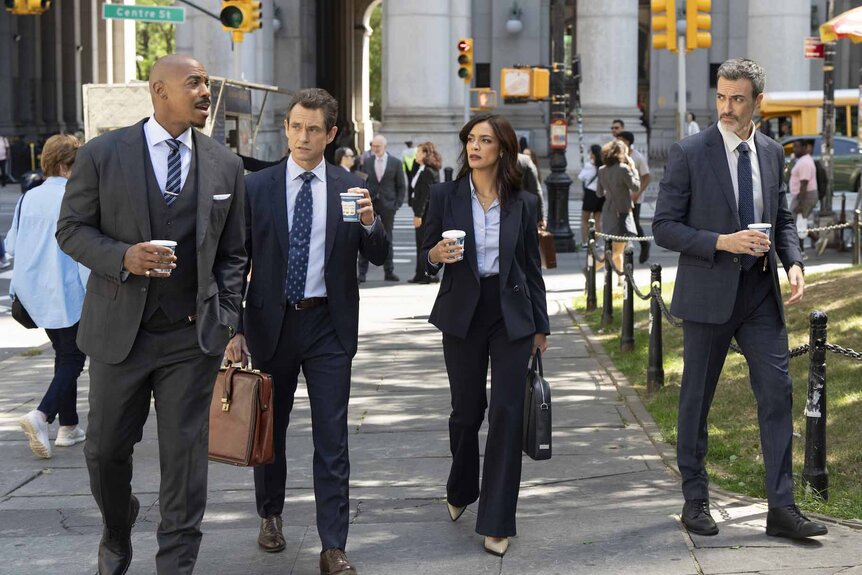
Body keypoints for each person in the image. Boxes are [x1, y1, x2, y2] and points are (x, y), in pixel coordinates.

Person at [56, 54, 247, 574]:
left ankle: (176, 565)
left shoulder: (225, 163)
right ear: (160, 91)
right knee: (103, 452)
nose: (205, 91)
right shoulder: (102, 154)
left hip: (192, 338)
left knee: (184, 465)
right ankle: (117, 529)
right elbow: (71, 230)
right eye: (194, 83)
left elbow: (235, 253)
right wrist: (123, 257)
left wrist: (225, 315)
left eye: (207, 82)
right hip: (121, 336)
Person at [653, 58, 827, 541]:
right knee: (696, 400)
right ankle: (695, 499)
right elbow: (663, 226)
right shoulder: (689, 152)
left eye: (737, 99)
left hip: (759, 294)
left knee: (777, 395)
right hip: (708, 293)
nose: (727, 108)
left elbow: (783, 218)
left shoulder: (772, 153)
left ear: (758, 104)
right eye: (721, 97)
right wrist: (721, 242)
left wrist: (794, 261)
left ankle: (782, 508)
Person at [225, 88, 388, 575]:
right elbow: (236, 263)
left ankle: (333, 544)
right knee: (269, 432)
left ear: (331, 134)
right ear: (286, 128)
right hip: (270, 325)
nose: (302, 136)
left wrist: (370, 221)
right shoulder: (258, 187)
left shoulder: (350, 186)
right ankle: (270, 515)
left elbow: (377, 255)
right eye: (296, 126)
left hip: (328, 328)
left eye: (313, 129)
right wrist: (234, 329)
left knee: (332, 439)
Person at [420, 114, 550, 558]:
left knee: (507, 414)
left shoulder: (524, 203)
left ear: (502, 149)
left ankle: (497, 520)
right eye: (470, 140)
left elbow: (531, 268)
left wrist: (540, 325)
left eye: (485, 140)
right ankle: (460, 485)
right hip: (462, 312)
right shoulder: (445, 195)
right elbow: (426, 259)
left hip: (511, 314)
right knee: (466, 412)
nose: (475, 147)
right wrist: (435, 255)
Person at [10, 134, 89, 459]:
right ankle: (41, 415)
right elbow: (85, 250)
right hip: (67, 290)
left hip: (35, 292)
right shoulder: (74, 197)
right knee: (73, 358)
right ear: (66, 165)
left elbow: (12, 245)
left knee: (63, 354)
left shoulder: (28, 197)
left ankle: (68, 427)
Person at [357, 134, 405, 282]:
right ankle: (362, 274)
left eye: (377, 146)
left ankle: (389, 271)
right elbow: (362, 181)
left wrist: (396, 204)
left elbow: (401, 185)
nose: (374, 149)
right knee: (365, 236)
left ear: (385, 147)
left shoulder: (395, 163)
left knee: (387, 238)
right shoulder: (367, 161)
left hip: (388, 205)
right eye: (373, 146)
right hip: (369, 203)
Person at [596, 139, 638, 275]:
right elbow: (635, 187)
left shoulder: (602, 170)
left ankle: (621, 278)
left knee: (617, 246)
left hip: (608, 211)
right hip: (622, 211)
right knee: (617, 250)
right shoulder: (623, 169)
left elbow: (599, 193)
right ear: (621, 153)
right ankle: (591, 269)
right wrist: (633, 168)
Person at [407, 141, 441, 284]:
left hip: (425, 214)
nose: (416, 155)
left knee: (424, 245)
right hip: (422, 212)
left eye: (419, 152)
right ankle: (419, 274)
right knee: (420, 244)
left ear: (426, 154)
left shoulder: (428, 171)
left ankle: (427, 275)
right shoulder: (422, 168)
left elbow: (426, 195)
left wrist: (418, 215)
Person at [617, 131, 651, 263]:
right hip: (621, 196)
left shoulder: (638, 157)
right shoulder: (618, 156)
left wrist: (638, 193)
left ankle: (644, 244)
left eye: (621, 140)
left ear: (628, 142)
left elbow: (646, 177)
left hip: (635, 196)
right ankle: (624, 251)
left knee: (634, 223)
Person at [788, 139, 818, 257]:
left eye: (797, 147)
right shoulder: (802, 160)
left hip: (803, 196)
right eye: (794, 147)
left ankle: (800, 252)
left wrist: (800, 203)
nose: (794, 149)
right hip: (802, 196)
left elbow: (804, 184)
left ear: (805, 148)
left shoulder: (805, 162)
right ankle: (816, 240)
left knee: (794, 223)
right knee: (800, 223)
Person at [577, 143, 605, 247]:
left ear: (593, 154)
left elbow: (581, 177)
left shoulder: (589, 165)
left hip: (590, 193)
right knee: (598, 220)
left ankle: (585, 242)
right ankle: (595, 242)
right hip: (601, 194)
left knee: (585, 219)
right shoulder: (604, 165)